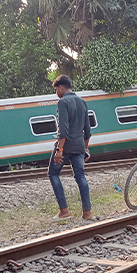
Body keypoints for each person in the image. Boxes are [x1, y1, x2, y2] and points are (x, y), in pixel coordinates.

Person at [47, 75, 93, 220]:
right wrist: (86, 148)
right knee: (80, 176)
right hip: (79, 146)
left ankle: (64, 211)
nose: (56, 93)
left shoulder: (63, 102)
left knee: (53, 174)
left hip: (66, 146)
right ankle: (87, 213)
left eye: (56, 89)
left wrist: (60, 150)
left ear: (61, 87)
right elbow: (87, 129)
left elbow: (63, 129)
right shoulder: (82, 101)